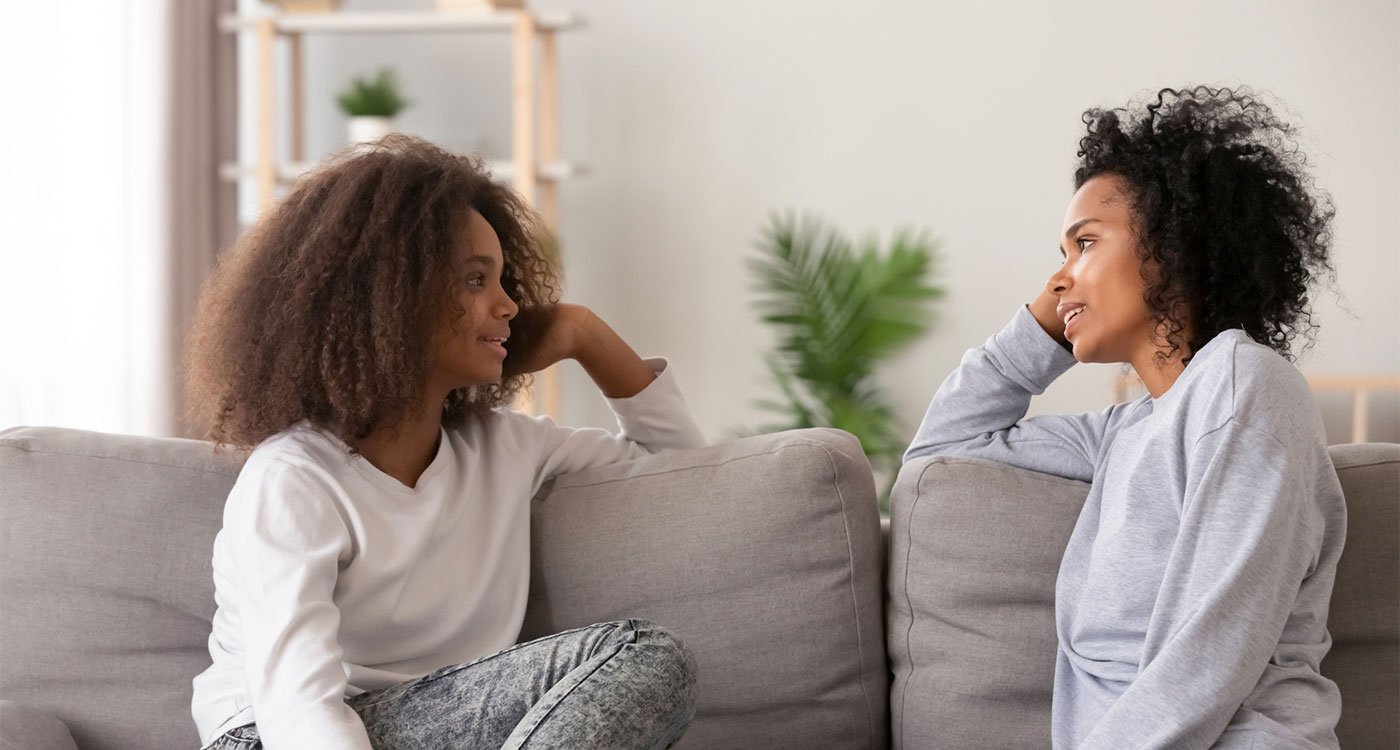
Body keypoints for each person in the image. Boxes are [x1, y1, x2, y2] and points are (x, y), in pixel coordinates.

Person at [185, 135, 705, 750]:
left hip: (450, 728)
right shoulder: (292, 478)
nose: (510, 305)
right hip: (276, 735)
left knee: (655, 665)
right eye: (474, 281)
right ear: (386, 299)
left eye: (503, 279)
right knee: (636, 652)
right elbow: (299, 713)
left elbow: (680, 476)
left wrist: (582, 333)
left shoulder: (508, 448)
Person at [905, 86, 1344, 749]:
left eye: (1084, 243)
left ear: (1171, 245)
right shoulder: (1124, 431)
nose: (1058, 280)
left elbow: (1209, 655)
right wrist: (1043, 327)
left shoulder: (1245, 384)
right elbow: (946, 444)